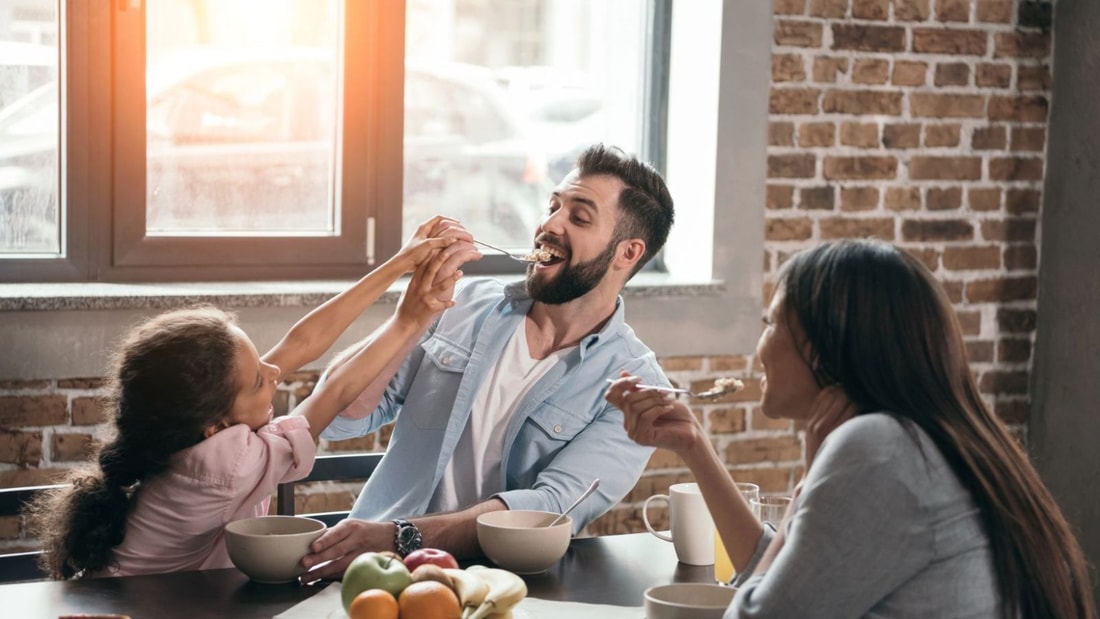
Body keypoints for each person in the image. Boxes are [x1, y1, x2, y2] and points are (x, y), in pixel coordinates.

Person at [606, 239, 1096, 619]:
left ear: (822, 348)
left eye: (771, 323)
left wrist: (810, 476)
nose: (759, 347)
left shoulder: (878, 449)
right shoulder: (919, 440)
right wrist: (694, 448)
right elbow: (779, 580)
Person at [301, 144, 676, 580]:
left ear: (627, 253)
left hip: (510, 586)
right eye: (553, 206)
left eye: (578, 217)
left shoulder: (640, 388)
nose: (549, 224)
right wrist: (409, 319)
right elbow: (339, 415)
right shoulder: (465, 304)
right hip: (377, 570)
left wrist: (401, 536)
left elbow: (551, 508)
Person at [27, 217, 465, 579]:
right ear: (216, 426)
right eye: (259, 381)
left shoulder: (193, 424)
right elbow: (335, 392)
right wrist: (413, 317)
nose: (275, 372)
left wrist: (400, 263)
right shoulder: (224, 466)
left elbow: (301, 342)